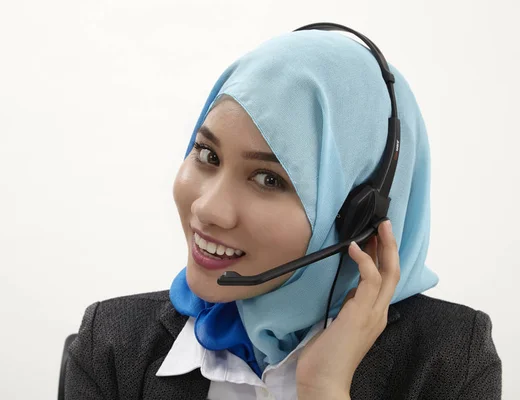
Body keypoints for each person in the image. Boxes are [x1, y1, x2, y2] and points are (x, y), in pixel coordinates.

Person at [64, 26, 502, 400]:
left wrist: (325, 389)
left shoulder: (449, 362)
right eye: (207, 155)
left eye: (269, 179)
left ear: (355, 215)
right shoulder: (109, 347)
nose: (207, 208)